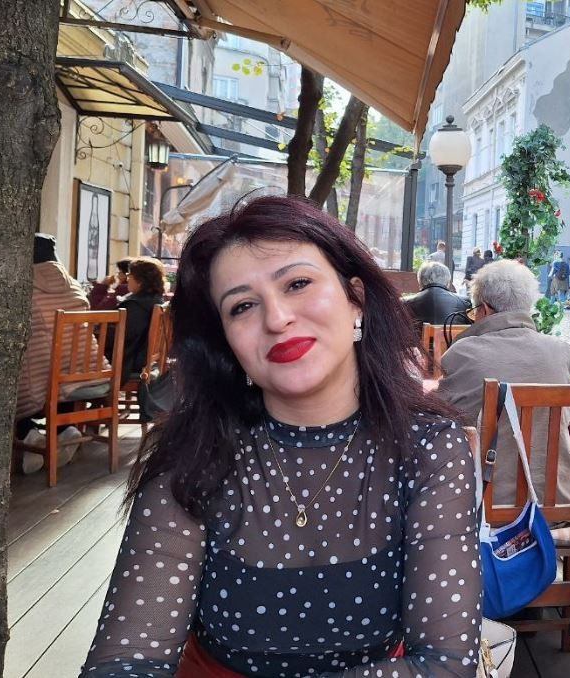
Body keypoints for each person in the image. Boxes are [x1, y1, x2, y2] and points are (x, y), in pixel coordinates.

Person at [80, 195, 481, 677]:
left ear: (356, 298)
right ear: (225, 341)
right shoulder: (194, 453)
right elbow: (126, 659)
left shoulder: (429, 446)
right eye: (242, 306)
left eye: (297, 283)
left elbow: (445, 665)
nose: (276, 319)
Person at [438, 259, 570, 506]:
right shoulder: (564, 353)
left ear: (485, 309)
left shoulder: (462, 353)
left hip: (482, 505)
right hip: (559, 505)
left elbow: (442, 420)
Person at [16, 234, 104, 474]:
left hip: (46, 377)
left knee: (13, 382)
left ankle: (28, 434)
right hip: (88, 372)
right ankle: (64, 429)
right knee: (61, 366)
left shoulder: (24, 288)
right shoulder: (74, 286)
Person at [105, 256, 165, 384]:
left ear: (140, 281)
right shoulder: (157, 300)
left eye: (130, 275)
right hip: (146, 359)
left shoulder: (135, 305)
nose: (127, 279)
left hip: (129, 363)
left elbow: (120, 337)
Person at [403, 260, 470, 329]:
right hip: (452, 336)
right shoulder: (465, 302)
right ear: (448, 282)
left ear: (420, 281)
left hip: (417, 336)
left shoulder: (404, 303)